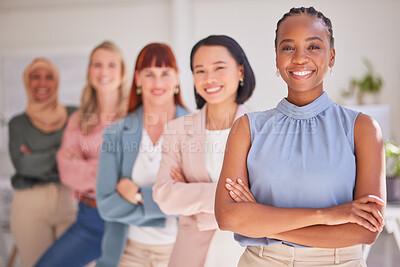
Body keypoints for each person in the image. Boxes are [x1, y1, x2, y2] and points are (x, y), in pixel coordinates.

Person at [214, 7, 386, 267]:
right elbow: (227, 217)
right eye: (288, 48)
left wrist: (262, 223)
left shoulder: (362, 129)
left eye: (314, 47)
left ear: (331, 57)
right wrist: (326, 215)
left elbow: (366, 230)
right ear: (276, 58)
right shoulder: (247, 128)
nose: (300, 58)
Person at [153, 35, 256, 267]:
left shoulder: (264, 128)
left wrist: (190, 191)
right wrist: (234, 200)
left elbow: (268, 198)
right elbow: (164, 195)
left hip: (248, 251)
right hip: (191, 253)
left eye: (219, 67)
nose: (209, 78)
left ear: (241, 72)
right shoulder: (177, 130)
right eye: (200, 71)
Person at [35, 41, 128, 267]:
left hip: (126, 220)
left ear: (123, 72)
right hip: (89, 219)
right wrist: (109, 170)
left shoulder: (134, 118)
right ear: (89, 71)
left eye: (111, 65)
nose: (104, 71)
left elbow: (133, 172)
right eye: (97, 64)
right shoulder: (78, 119)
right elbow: (67, 171)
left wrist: (84, 164)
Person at [95, 43, 189, 267]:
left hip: (180, 251)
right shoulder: (116, 133)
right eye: (149, 74)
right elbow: (106, 205)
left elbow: (198, 203)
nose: (158, 83)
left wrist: (138, 195)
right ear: (137, 79)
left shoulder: (195, 129)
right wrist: (169, 206)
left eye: (165, 73)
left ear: (176, 78)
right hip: (128, 252)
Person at [8, 58, 78, 267]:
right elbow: (23, 166)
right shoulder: (18, 123)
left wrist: (35, 155)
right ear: (26, 82)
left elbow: (83, 158)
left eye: (49, 77)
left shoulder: (74, 115)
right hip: (30, 205)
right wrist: (63, 153)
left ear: (56, 81)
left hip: (70, 200)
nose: (42, 83)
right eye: (35, 77)